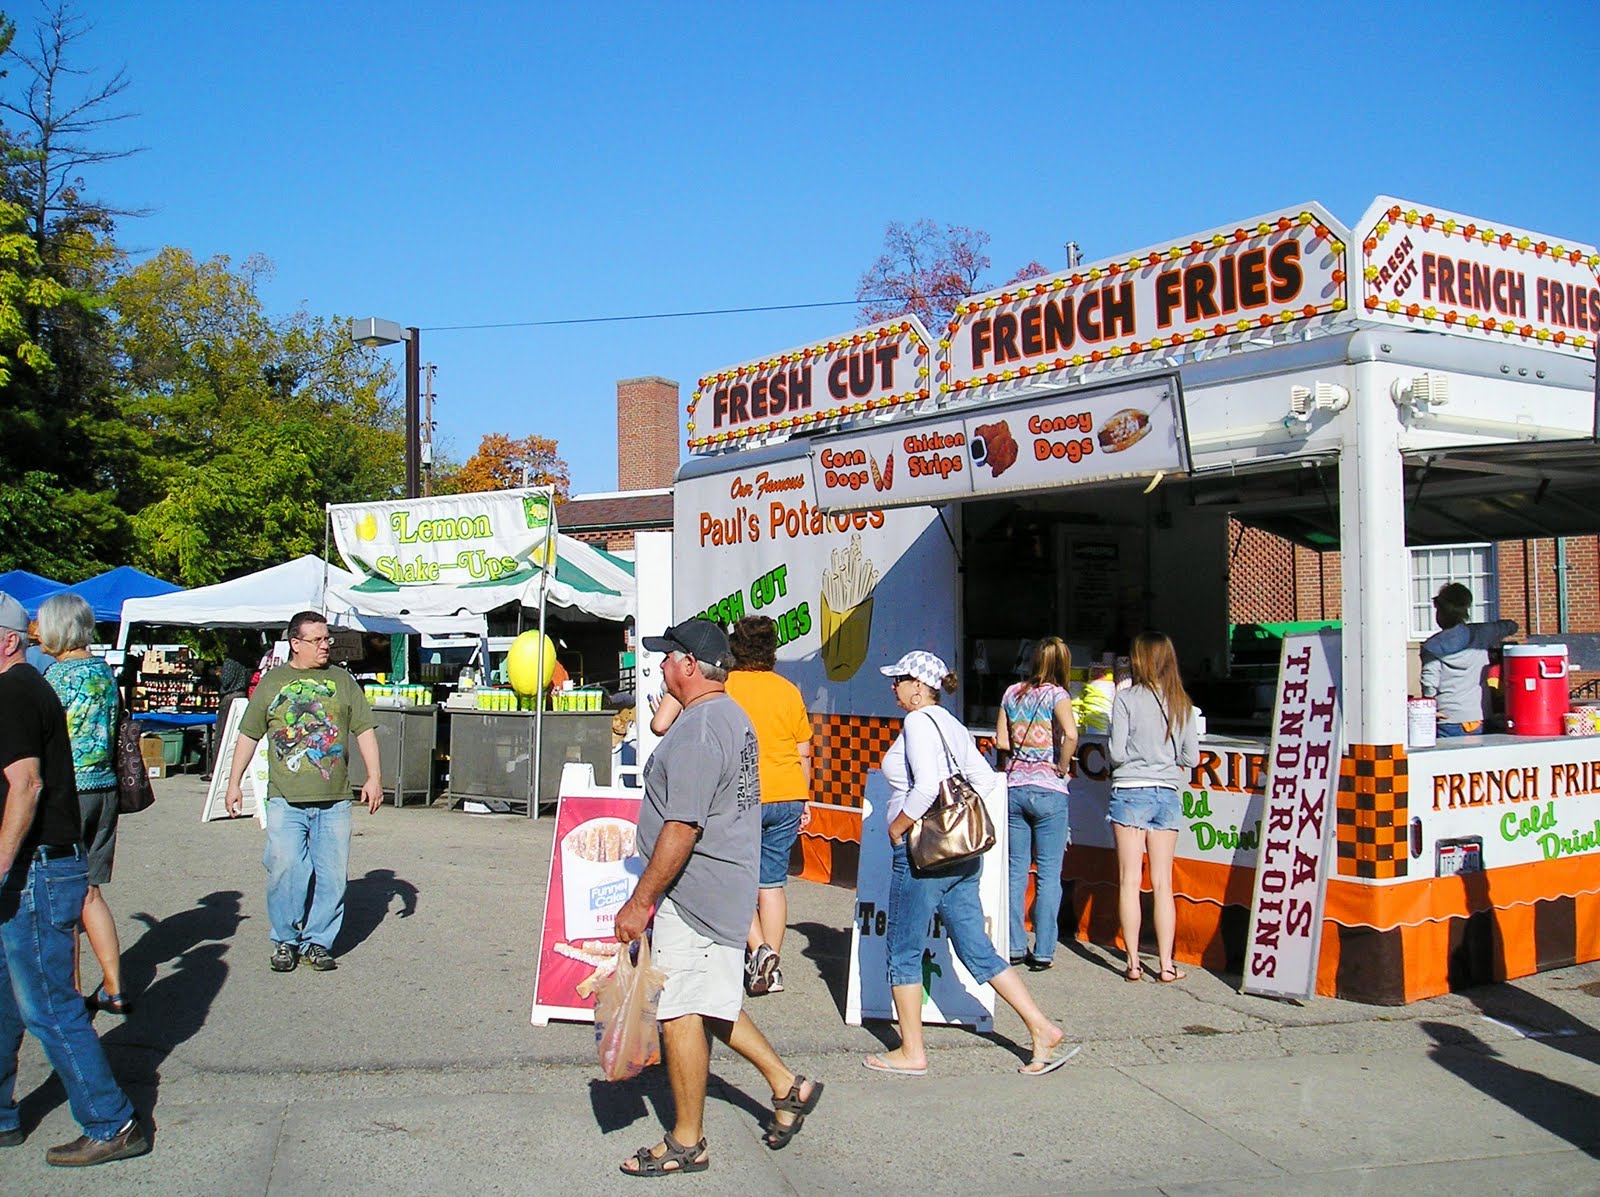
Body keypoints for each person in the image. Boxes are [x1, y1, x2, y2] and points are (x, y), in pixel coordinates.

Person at [613, 618, 821, 1176]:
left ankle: (687, 1141)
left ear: (688, 665)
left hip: (698, 889)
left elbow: (683, 826)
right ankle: (788, 1085)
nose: (659, 666)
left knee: (681, 1010)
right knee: (713, 1000)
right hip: (717, 884)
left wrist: (640, 902)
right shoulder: (724, 716)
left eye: (666, 657)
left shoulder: (705, 728)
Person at [865, 650, 1073, 1078]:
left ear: (919, 687)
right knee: (976, 948)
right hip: (963, 853)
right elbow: (981, 779)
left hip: (925, 854)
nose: (893, 687)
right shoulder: (951, 724)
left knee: (902, 950)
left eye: (899, 679)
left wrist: (899, 826)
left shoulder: (918, 722)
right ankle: (1040, 1027)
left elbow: (924, 787)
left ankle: (911, 1051)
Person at [0, 591, 149, 1166]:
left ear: (11, 638)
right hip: (51, 851)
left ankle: (112, 1122)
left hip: (37, 864)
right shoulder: (43, 683)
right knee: (10, 997)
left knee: (48, 1005)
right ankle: (5, 1113)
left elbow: (25, 785)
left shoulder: (18, 690)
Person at [224, 611, 382, 973]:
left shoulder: (343, 682)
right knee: (286, 868)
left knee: (332, 875)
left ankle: (318, 941)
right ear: (295, 644)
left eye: (327, 639)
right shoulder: (272, 682)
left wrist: (374, 776)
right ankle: (284, 939)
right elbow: (249, 734)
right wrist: (234, 784)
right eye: (317, 640)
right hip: (286, 798)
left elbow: (365, 731)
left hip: (335, 800)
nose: (326, 645)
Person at [37, 594, 128, 1015]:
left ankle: (71, 994)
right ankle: (114, 986)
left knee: (62, 895)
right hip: (104, 788)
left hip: (67, 793)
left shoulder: (57, 679)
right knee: (90, 891)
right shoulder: (104, 673)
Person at [724, 615, 813, 997]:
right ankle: (771, 965)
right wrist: (806, 797)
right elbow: (803, 749)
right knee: (772, 883)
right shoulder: (788, 690)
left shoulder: (725, 686)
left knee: (735, 880)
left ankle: (758, 951)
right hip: (788, 791)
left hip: (742, 794)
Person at [1108, 631, 1199, 984]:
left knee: (1129, 880)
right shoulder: (1183, 703)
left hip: (1130, 788)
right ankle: (1166, 965)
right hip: (1166, 792)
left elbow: (1115, 753)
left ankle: (1132, 963)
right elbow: (1191, 756)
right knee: (1163, 883)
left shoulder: (1125, 699)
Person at [995, 636, 1078, 971]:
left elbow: (1001, 740)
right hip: (1049, 790)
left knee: (1015, 873)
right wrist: (1061, 765)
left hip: (1015, 787)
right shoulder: (1058, 696)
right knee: (1048, 875)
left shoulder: (1011, 693)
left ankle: (1014, 945)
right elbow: (1070, 734)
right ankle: (1043, 950)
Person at [1420, 583, 1519, 737]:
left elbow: (1429, 684)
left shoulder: (1432, 646)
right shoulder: (1482, 633)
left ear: (1440, 610)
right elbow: (1512, 626)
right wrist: (1487, 630)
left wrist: (1429, 708)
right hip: (1480, 717)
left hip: (1448, 718)